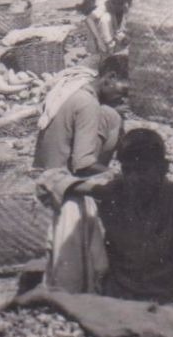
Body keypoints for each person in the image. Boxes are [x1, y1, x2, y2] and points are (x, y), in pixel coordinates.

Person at [65, 128, 173, 313]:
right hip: (120, 300)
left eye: (142, 170)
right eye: (127, 170)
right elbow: (54, 183)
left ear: (163, 168)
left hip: (166, 300)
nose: (133, 179)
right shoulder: (114, 192)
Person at [34, 60, 130, 293]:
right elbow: (83, 164)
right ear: (109, 77)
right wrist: (115, 176)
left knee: (112, 116)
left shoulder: (77, 90)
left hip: (44, 171)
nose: (125, 100)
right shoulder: (88, 104)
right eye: (124, 92)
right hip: (57, 182)